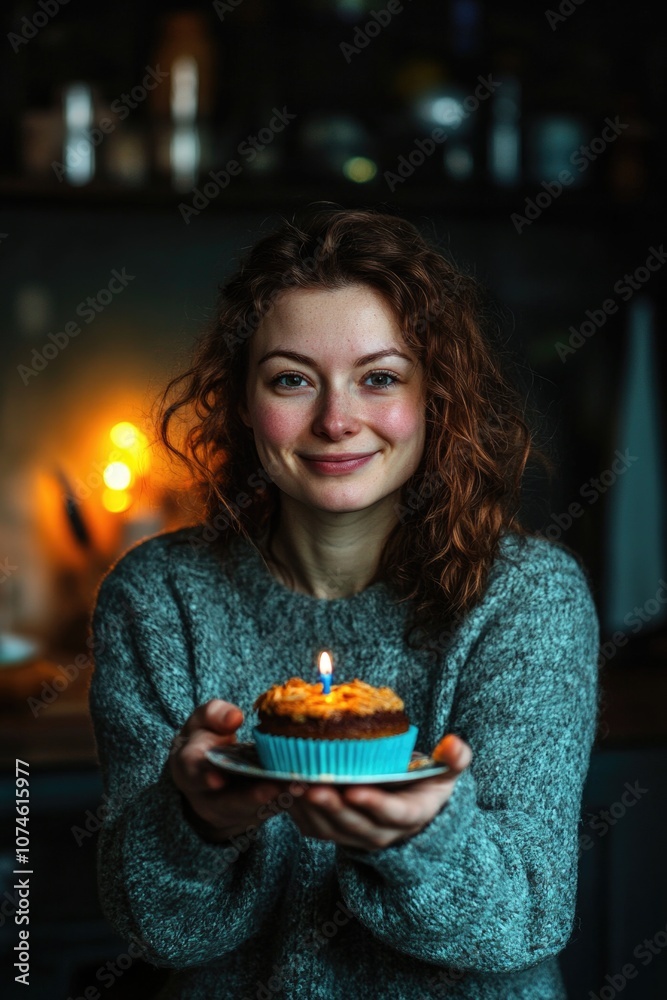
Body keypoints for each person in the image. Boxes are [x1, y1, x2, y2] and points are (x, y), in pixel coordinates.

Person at [88, 206, 600, 1000]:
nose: (335, 420)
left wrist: (420, 839)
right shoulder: (158, 598)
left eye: (380, 378)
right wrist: (196, 822)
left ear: (436, 398)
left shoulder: (527, 599)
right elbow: (155, 931)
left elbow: (521, 924)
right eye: (291, 379)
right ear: (240, 399)